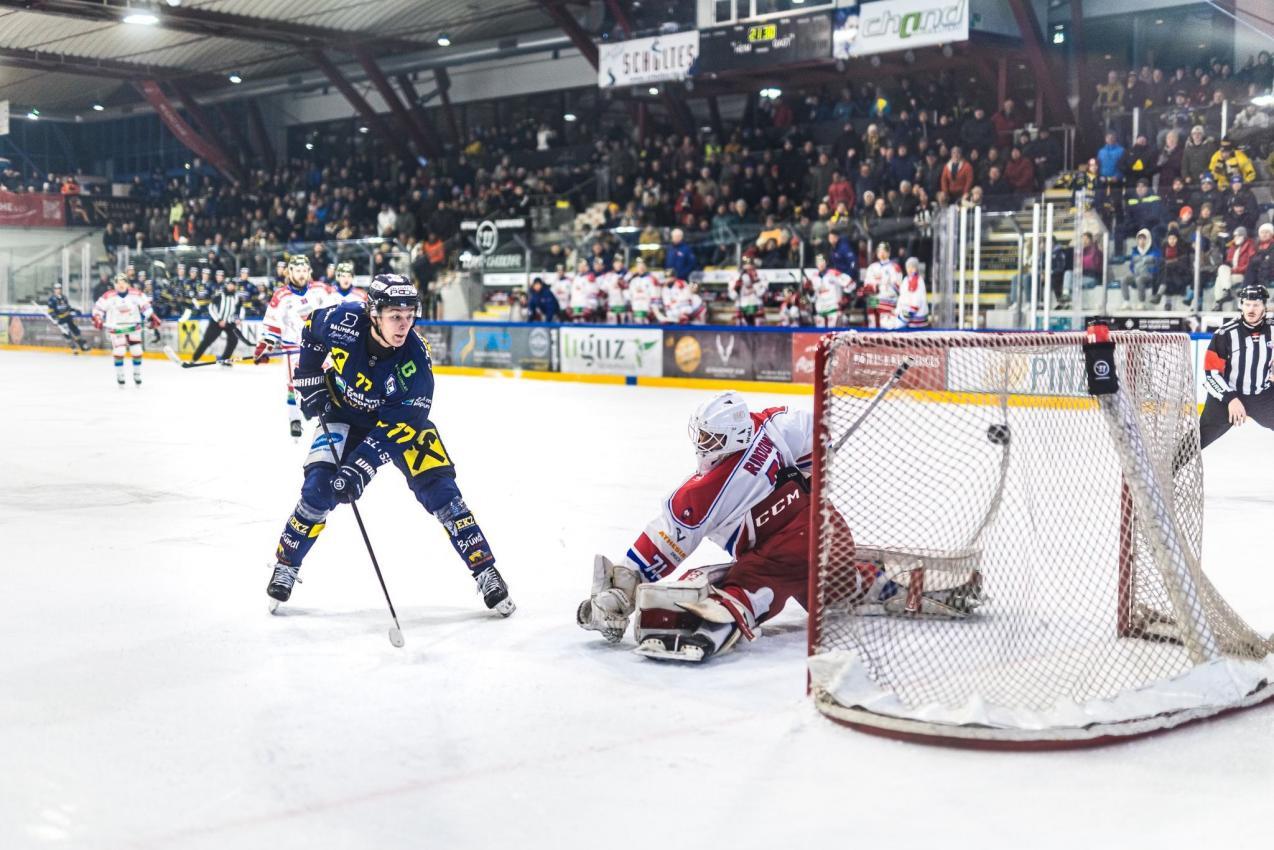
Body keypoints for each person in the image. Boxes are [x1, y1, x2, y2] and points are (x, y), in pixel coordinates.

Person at [575, 392, 980, 662]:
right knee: (844, 588)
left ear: (733, 436)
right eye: (700, 433)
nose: (701, 443)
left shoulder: (707, 490)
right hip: (827, 527)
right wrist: (803, 470)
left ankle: (704, 628)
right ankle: (930, 589)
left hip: (783, 550)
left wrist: (626, 581)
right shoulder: (774, 423)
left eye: (710, 438)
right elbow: (820, 439)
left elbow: (666, 537)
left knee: (748, 585)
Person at [265, 274, 514, 617]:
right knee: (317, 489)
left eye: (410, 315)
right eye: (395, 315)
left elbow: (402, 426)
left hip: (400, 424)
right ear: (373, 313)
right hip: (344, 413)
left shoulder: (416, 360)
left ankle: (485, 569)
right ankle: (286, 564)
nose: (404, 325)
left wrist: (360, 466)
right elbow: (311, 330)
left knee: (441, 490)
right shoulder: (344, 320)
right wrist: (308, 377)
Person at [254, 255, 334, 438]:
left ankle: (328, 416)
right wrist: (264, 347)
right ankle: (295, 420)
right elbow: (272, 324)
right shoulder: (281, 296)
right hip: (293, 350)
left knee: (328, 381)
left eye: (304, 270)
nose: (301, 274)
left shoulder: (321, 290)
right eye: (297, 271)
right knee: (294, 386)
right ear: (289, 272)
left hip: (320, 348)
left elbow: (336, 310)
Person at [1199, 285, 1274, 451]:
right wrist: (1230, 399)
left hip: (1262, 395)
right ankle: (1162, 472)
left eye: (1256, 305)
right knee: (1197, 440)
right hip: (1228, 397)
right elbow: (1211, 375)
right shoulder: (1225, 334)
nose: (1251, 309)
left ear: (1264, 307)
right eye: (1247, 304)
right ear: (1241, 305)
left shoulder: (1272, 329)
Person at [91, 273, 161, 388]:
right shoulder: (108, 296)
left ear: (127, 283)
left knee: (137, 351)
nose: (121, 285)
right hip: (117, 328)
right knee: (119, 351)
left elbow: (145, 306)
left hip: (133, 326)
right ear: (114, 284)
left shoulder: (136, 294)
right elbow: (98, 308)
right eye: (118, 283)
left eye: (123, 282)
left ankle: (137, 373)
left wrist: (152, 316)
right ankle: (120, 374)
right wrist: (97, 317)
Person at [189, 272, 241, 365]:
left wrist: (237, 318)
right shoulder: (220, 295)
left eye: (233, 285)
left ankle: (225, 360)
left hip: (229, 323)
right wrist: (219, 320)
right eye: (229, 285)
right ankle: (194, 359)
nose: (231, 287)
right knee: (207, 341)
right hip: (216, 322)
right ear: (226, 285)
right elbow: (211, 307)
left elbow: (238, 310)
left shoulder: (237, 298)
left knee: (234, 340)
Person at [862, 242, 902, 328]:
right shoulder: (872, 267)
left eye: (884, 251)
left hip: (887, 301)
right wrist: (871, 288)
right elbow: (867, 283)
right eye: (879, 251)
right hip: (873, 300)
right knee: (872, 325)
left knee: (885, 327)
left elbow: (898, 287)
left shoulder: (894, 267)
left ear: (889, 253)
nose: (881, 253)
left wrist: (885, 286)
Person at [1121, 229, 1161, 310]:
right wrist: (1135, 271)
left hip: (1150, 275)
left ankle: (1141, 303)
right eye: (1140, 239)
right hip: (1137, 274)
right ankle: (1126, 302)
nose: (1141, 241)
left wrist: (1147, 264)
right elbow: (1132, 265)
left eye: (1144, 239)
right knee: (1124, 279)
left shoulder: (1155, 250)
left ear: (1148, 239)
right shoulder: (1135, 250)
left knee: (1139, 279)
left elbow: (1157, 263)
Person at [46, 282, 90, 353]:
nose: (58, 290)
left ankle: (83, 346)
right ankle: (73, 347)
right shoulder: (52, 299)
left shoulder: (64, 297)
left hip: (68, 317)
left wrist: (75, 310)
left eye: (59, 289)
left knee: (76, 331)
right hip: (61, 319)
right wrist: (55, 318)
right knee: (67, 333)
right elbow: (51, 310)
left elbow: (67, 307)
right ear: (54, 290)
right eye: (56, 289)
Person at [807, 253, 848, 328]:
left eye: (822, 261)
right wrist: (810, 291)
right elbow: (812, 298)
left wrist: (846, 297)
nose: (821, 263)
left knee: (833, 337)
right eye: (818, 261)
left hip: (833, 310)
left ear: (826, 262)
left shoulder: (834, 273)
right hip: (820, 312)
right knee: (820, 337)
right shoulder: (813, 277)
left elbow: (850, 285)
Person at [892, 257, 930, 328]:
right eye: (908, 267)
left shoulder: (918, 280)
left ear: (916, 268)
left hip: (916, 317)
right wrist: (898, 311)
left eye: (912, 267)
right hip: (908, 314)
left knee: (896, 326)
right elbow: (902, 297)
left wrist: (904, 316)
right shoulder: (906, 279)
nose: (910, 269)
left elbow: (916, 303)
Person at [730, 256, 767, 326]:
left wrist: (754, 281)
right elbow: (733, 296)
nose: (748, 268)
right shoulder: (735, 276)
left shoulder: (761, 276)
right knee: (741, 334)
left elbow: (761, 293)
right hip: (741, 307)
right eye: (745, 265)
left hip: (756, 306)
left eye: (750, 265)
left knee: (758, 333)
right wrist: (737, 286)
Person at [600, 256, 629, 324]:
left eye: (620, 262)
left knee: (625, 328)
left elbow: (631, 293)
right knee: (611, 328)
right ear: (613, 264)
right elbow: (603, 291)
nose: (618, 264)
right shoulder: (608, 276)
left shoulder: (628, 275)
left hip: (624, 306)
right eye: (616, 262)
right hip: (612, 306)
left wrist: (624, 286)